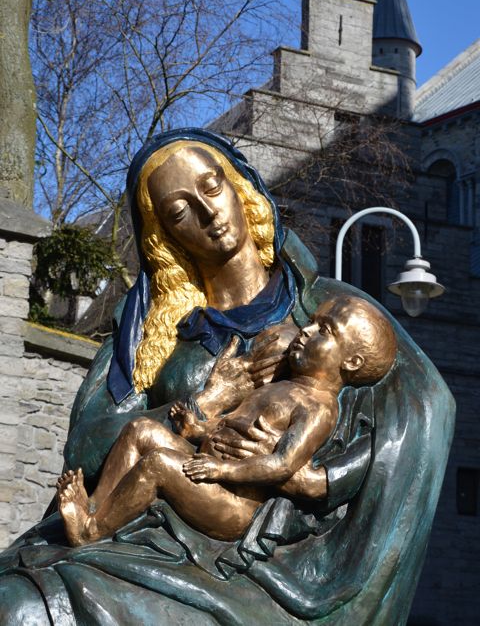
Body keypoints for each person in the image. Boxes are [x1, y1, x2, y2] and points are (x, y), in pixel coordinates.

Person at [0, 129, 455, 626]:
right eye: (180, 212)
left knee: (27, 609)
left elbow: (423, 410)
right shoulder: (151, 329)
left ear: (240, 187)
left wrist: (318, 481)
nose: (208, 213)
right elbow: (86, 447)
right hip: (137, 519)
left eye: (212, 187)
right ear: (165, 237)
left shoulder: (329, 310)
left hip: (248, 558)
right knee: (13, 595)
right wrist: (206, 403)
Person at [56, 295, 397, 546]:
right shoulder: (280, 385)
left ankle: (90, 533)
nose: (305, 331)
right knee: (139, 430)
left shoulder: (318, 409)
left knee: (158, 464)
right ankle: (96, 506)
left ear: (351, 362)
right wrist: (198, 428)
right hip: (206, 468)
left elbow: (282, 464)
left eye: (324, 330)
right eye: (311, 321)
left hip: (232, 501)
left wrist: (223, 470)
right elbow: (232, 424)